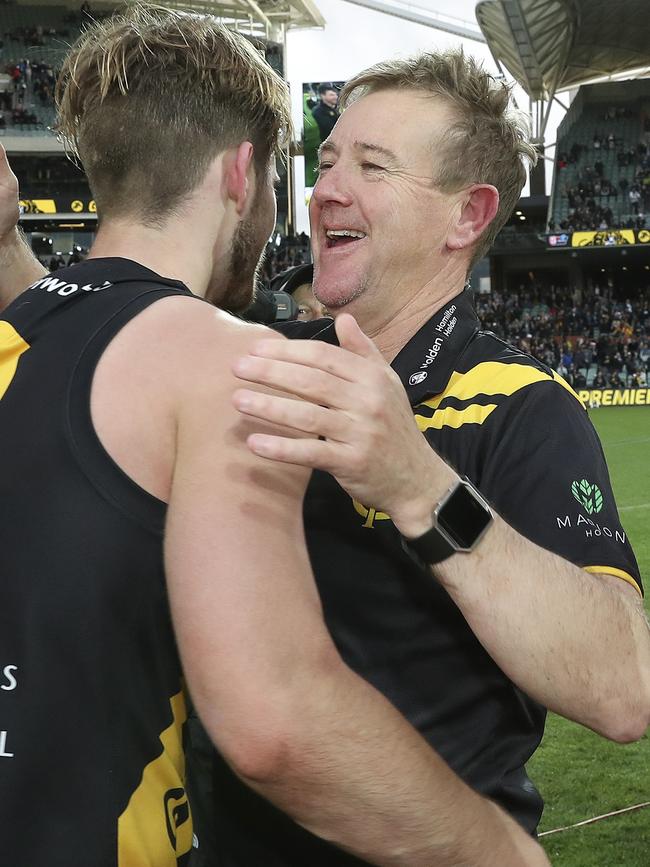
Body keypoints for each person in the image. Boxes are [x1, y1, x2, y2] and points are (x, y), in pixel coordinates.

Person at [0, 10, 548, 867]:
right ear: (242, 174)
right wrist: (500, 851)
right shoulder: (231, 363)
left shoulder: (20, 331)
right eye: (320, 164)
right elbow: (276, 718)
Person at [226, 51, 650, 862]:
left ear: (466, 216)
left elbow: (622, 686)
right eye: (326, 164)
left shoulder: (523, 407)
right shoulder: (255, 356)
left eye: (373, 166)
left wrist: (418, 483)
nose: (326, 192)